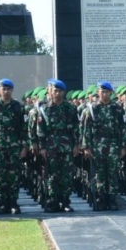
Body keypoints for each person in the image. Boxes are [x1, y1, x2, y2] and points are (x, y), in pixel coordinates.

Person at [0, 79, 28, 214]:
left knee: (13, 176)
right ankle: (2, 203)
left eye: (8, 89)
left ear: (12, 90)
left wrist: (24, 147)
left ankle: (13, 203)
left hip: (15, 147)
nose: (6, 91)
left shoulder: (19, 107)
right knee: (0, 177)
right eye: (3, 89)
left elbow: (24, 130)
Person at [81, 81, 126, 211]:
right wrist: (86, 147)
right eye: (102, 92)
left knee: (112, 173)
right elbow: (86, 129)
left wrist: (123, 146)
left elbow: (123, 129)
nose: (105, 94)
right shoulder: (92, 109)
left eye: (107, 92)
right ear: (98, 93)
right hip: (97, 145)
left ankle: (112, 200)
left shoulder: (117, 109)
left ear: (111, 93)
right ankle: (100, 199)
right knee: (99, 174)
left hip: (113, 144)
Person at [36, 79, 80, 212]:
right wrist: (42, 147)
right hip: (50, 146)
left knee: (66, 175)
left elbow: (76, 129)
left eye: (60, 91)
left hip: (66, 146)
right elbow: (40, 130)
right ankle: (52, 201)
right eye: (55, 91)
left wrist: (76, 145)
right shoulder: (44, 109)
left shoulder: (70, 108)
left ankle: (65, 201)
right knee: (51, 175)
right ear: (50, 91)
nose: (58, 93)